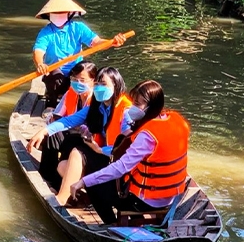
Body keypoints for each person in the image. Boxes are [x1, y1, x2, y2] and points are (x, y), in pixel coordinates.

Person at [68, 80, 190, 224]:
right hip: (173, 195)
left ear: (152, 107)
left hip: (146, 201)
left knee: (93, 185)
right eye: (134, 102)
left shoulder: (147, 135)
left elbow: (120, 168)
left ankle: (112, 224)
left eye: (138, 104)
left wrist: (83, 182)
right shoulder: (177, 121)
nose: (133, 107)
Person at [26, 67, 132, 205]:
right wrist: (44, 131)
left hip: (118, 162)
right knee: (63, 166)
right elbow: (69, 121)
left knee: (77, 153)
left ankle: (61, 199)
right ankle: (81, 193)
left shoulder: (126, 110)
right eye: (98, 84)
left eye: (104, 84)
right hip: (104, 158)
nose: (100, 88)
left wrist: (100, 150)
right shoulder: (97, 107)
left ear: (116, 85)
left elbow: (128, 144)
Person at [32, 0, 126, 107]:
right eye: (55, 12)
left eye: (62, 12)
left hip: (76, 70)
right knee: (54, 76)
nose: (59, 14)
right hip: (56, 71)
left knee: (88, 71)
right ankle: (52, 103)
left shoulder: (78, 28)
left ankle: (85, 103)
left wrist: (112, 42)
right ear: (49, 15)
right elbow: (38, 51)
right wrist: (40, 64)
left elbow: (96, 42)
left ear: (70, 14)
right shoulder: (46, 32)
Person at [38, 61, 97, 188]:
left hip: (87, 138)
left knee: (68, 140)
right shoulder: (71, 92)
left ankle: (61, 183)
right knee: (52, 133)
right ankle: (47, 175)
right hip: (71, 131)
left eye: (83, 80)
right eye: (75, 79)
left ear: (93, 80)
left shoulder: (96, 100)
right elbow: (58, 113)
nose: (78, 83)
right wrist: (51, 123)